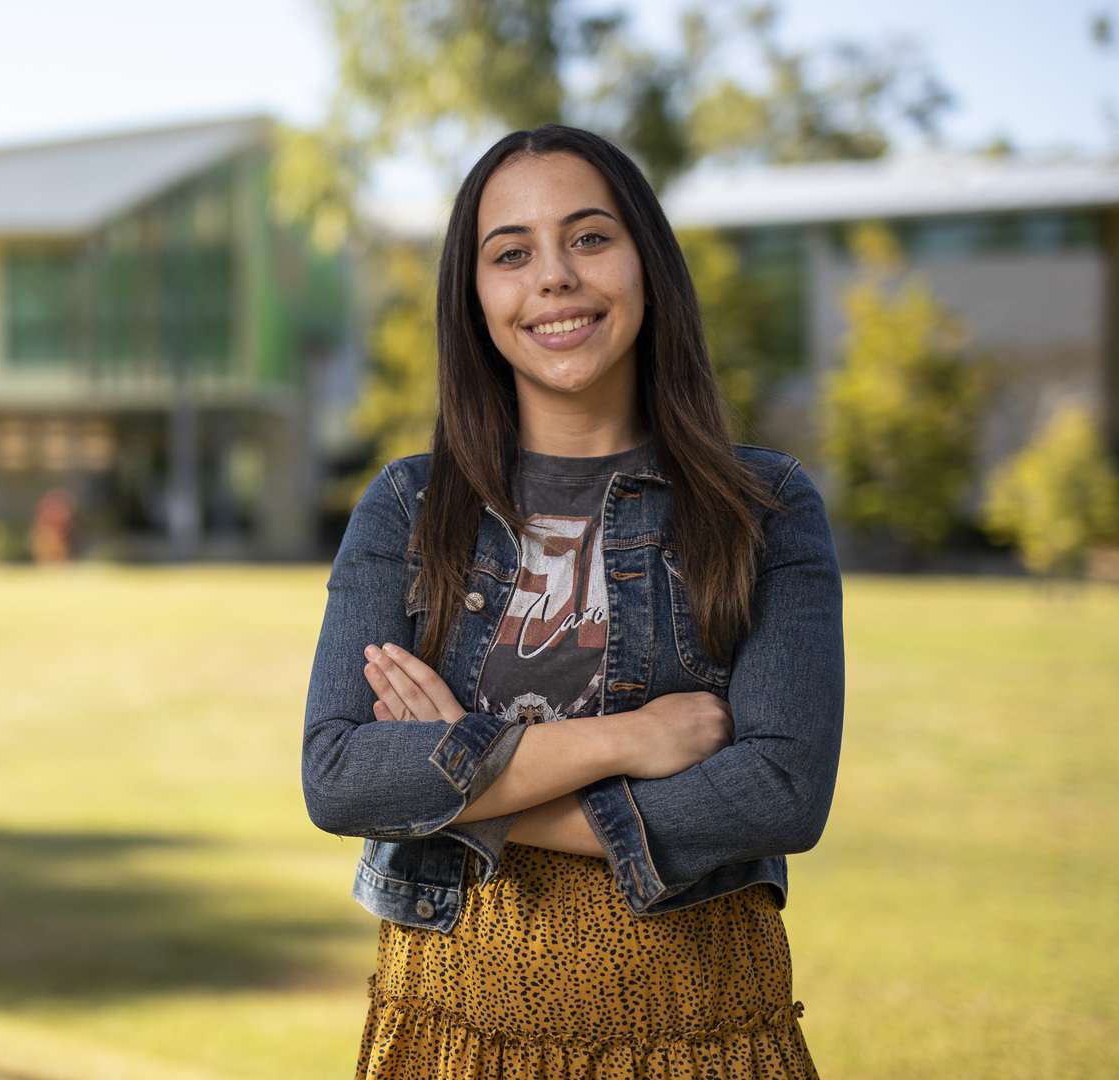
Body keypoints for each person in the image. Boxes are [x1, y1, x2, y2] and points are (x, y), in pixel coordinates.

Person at [300, 123, 843, 1078]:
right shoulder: (409, 508)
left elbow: (782, 794)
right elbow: (339, 775)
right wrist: (630, 741)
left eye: (589, 238)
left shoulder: (765, 506)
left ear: (646, 264)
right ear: (475, 298)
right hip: (450, 1041)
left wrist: (469, 791)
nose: (553, 277)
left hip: (701, 1043)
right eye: (511, 253)